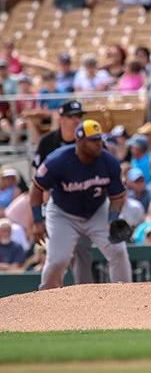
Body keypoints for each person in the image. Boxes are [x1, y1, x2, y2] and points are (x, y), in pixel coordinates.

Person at [30, 120, 132, 289]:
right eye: (93, 140)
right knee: (58, 261)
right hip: (63, 213)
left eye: (100, 139)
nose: (98, 143)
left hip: (97, 210)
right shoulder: (58, 160)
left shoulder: (109, 161)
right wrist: (37, 221)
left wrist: (113, 219)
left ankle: (125, 294)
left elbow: (117, 196)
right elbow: (36, 188)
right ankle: (46, 299)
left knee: (118, 251)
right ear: (79, 140)